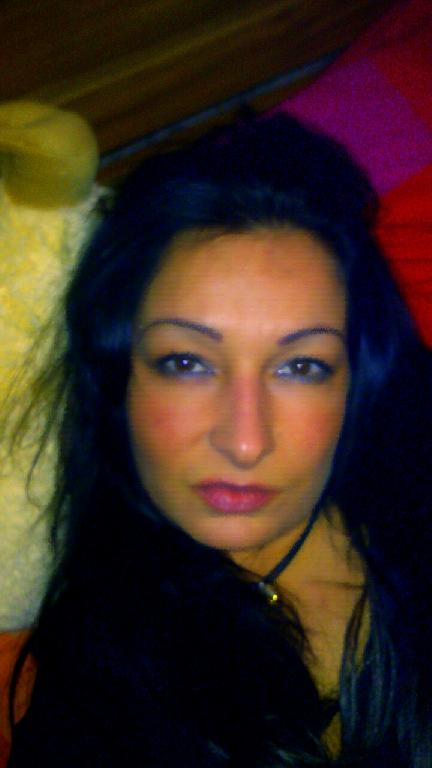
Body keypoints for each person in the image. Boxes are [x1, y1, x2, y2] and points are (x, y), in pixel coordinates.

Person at [5, 113, 432, 767]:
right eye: (186, 363)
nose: (244, 443)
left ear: (359, 379)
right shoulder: (94, 679)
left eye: (301, 366)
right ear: (119, 380)